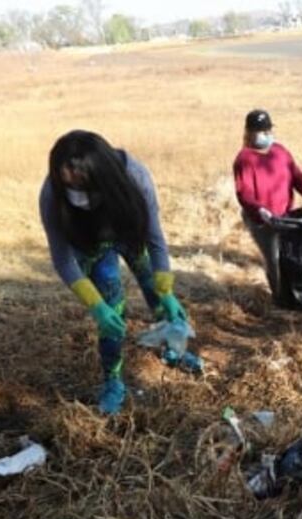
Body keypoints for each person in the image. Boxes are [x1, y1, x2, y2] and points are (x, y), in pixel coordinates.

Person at [39, 130, 189, 415]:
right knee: (111, 308)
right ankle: (113, 381)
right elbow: (62, 259)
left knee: (152, 285)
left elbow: (155, 238)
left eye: (82, 186)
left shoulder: (134, 176)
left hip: (127, 234)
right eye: (69, 187)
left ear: (102, 176)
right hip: (90, 246)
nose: (76, 195)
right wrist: (95, 306)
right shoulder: (51, 194)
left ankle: (175, 346)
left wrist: (166, 290)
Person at [233, 109, 302, 306]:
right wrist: (259, 210)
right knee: (274, 258)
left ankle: (297, 292)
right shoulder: (244, 159)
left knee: (291, 254)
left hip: (285, 216)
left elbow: (297, 176)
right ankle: (279, 299)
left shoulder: (280, 151)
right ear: (249, 133)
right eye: (260, 131)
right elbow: (243, 193)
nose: (266, 134)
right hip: (262, 220)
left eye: (268, 130)